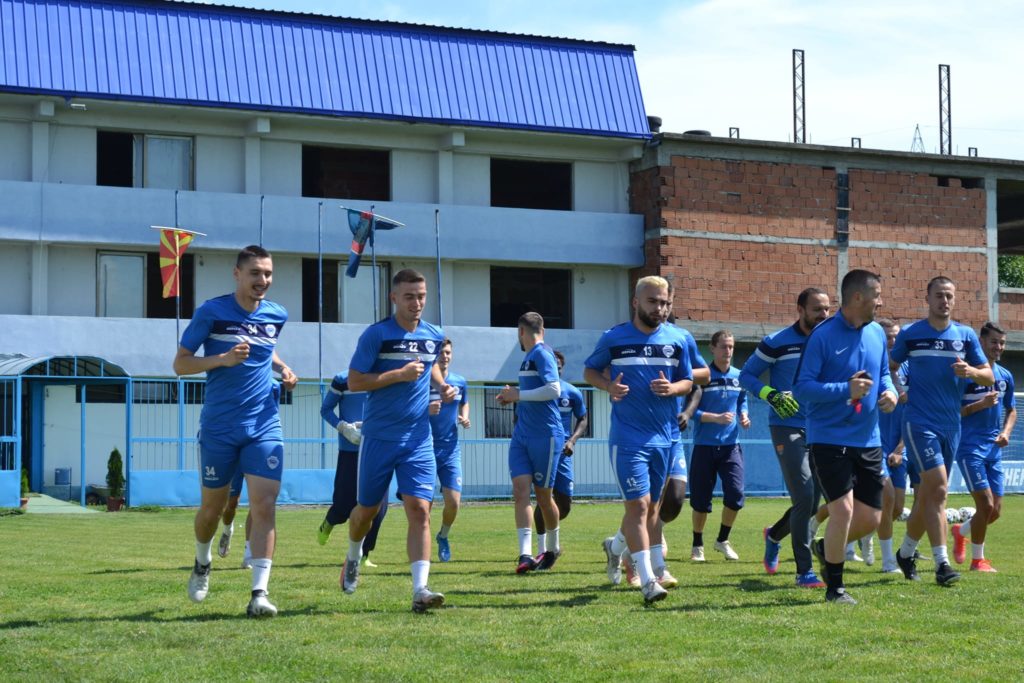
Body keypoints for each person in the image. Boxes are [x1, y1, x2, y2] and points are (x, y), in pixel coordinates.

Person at [174, 245, 297, 618]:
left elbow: (264, 349)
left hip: (263, 424)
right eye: (256, 273)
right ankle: (202, 561)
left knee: (264, 504)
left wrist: (282, 368)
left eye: (268, 274)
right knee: (212, 510)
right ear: (237, 274)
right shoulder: (211, 312)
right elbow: (181, 364)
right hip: (220, 427)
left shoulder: (276, 314)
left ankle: (259, 593)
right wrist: (222, 359)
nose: (263, 280)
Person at [343, 268, 456, 613]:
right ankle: (353, 556)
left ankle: (421, 589)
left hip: (418, 438)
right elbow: (355, 381)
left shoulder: (433, 334)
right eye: (409, 296)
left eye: (421, 296)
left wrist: (442, 386)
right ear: (394, 298)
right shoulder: (377, 335)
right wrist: (398, 375)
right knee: (366, 511)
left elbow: (430, 365)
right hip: (379, 438)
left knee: (420, 509)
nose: (416, 303)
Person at [585, 275, 693, 604]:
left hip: (665, 438)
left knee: (652, 510)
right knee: (639, 506)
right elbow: (590, 371)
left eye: (664, 303)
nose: (660, 308)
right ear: (635, 302)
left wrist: (672, 389)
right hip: (628, 438)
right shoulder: (614, 338)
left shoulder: (679, 338)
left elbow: (688, 380)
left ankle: (614, 547)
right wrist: (609, 386)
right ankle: (648, 580)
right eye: (653, 302)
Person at [793, 269, 897, 604]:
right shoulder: (822, 336)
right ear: (857, 297)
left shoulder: (877, 334)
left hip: (868, 440)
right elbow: (802, 388)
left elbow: (884, 375)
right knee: (843, 510)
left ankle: (827, 549)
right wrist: (845, 390)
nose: (880, 302)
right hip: (828, 438)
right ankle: (835, 588)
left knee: (872, 517)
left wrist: (891, 393)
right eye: (876, 296)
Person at [890, 276, 993, 586]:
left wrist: (970, 371)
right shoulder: (911, 334)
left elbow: (988, 376)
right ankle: (942, 564)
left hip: (952, 425)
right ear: (927, 298)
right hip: (919, 422)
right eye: (938, 295)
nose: (944, 301)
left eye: (949, 295)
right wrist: (899, 391)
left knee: (928, 496)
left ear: (954, 299)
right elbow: (890, 367)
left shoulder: (965, 335)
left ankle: (905, 553)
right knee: (939, 490)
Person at [740, 287, 830, 588]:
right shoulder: (776, 342)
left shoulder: (830, 341)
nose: (823, 315)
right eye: (817, 309)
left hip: (821, 427)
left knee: (815, 502)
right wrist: (771, 394)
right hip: (786, 426)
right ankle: (804, 572)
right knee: (804, 496)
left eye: (827, 309)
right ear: (800, 310)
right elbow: (746, 376)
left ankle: (774, 535)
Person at [496, 312, 565, 574]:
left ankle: (553, 548)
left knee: (544, 498)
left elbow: (554, 389)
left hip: (545, 435)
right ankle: (525, 554)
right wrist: (511, 397)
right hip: (522, 435)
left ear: (521, 332)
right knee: (520, 492)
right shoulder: (528, 358)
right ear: (542, 330)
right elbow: (529, 394)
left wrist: (519, 394)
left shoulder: (542, 354)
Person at [951, 322, 1016, 572]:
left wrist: (1006, 432)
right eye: (994, 342)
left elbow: (1011, 410)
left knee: (995, 511)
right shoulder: (966, 374)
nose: (998, 347)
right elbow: (952, 413)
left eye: (1002, 343)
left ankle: (961, 531)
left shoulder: (1005, 376)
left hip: (994, 449)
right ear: (981, 342)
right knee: (985, 505)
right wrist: (980, 405)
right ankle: (978, 561)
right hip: (970, 447)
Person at [688, 330, 750, 562]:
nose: (728, 351)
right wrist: (715, 418)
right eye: (723, 346)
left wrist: (744, 415)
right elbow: (690, 410)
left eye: (731, 346)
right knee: (701, 500)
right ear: (712, 348)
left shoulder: (739, 376)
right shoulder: (702, 376)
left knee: (736, 494)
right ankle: (697, 545)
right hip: (704, 446)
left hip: (731, 446)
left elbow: (742, 400)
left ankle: (722, 540)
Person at [317, 370, 388, 568]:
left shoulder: (387, 377)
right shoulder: (342, 380)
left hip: (378, 449)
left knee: (379, 507)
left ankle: (364, 554)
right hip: (350, 451)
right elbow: (326, 410)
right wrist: (343, 427)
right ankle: (329, 522)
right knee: (344, 503)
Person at [531, 350, 587, 563]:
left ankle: (549, 538)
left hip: (563, 453)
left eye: (559, 366)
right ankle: (542, 548)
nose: (556, 368)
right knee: (544, 498)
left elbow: (583, 418)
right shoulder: (536, 392)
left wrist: (572, 440)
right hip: (542, 450)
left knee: (564, 504)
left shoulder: (572, 392)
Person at [428, 339, 470, 563]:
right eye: (441, 353)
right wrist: (426, 410)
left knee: (453, 502)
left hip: (450, 450)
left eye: (448, 352)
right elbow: (410, 408)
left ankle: (443, 536)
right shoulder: (424, 381)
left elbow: (465, 402)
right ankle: (422, 549)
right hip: (425, 449)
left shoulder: (459, 381)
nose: (445, 356)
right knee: (424, 506)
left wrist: (465, 416)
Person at [873, 317, 909, 573]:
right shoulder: (870, 366)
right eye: (888, 337)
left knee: (896, 507)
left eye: (896, 336)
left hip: (899, 447)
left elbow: (912, 410)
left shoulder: (906, 369)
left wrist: (900, 448)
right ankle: (888, 561)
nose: (893, 341)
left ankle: (865, 534)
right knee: (884, 501)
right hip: (873, 446)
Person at [217, 471, 252, 568]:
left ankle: (248, 557)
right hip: (236, 463)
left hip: (256, 462)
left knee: (257, 504)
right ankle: (227, 530)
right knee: (232, 503)